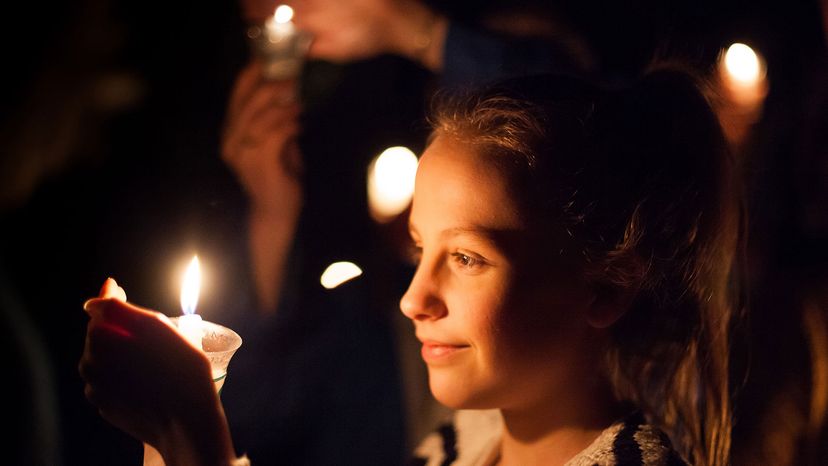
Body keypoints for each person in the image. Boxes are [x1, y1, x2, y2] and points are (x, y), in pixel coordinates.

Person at [80, 66, 742, 466]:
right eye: (420, 249)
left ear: (604, 286)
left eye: (465, 257)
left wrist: (196, 442)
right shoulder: (458, 444)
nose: (414, 298)